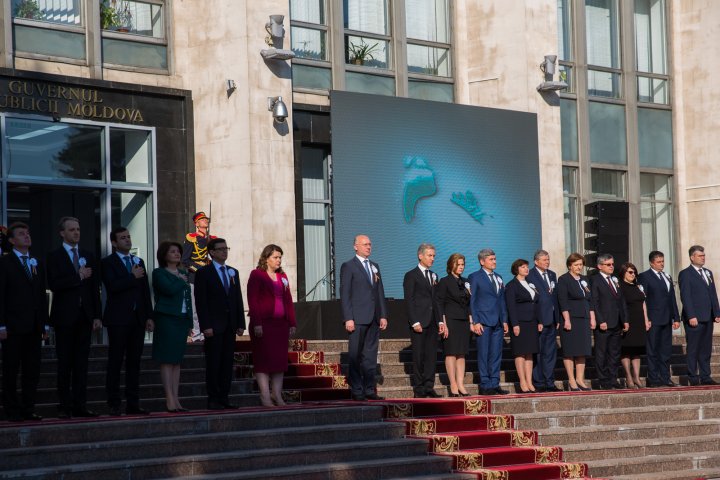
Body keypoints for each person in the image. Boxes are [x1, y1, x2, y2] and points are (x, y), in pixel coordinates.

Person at [46, 217, 102, 418]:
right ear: (62, 233)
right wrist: (77, 276)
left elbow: (94, 288)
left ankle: (80, 404)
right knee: (65, 363)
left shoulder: (87, 255)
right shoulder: (54, 256)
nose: (76, 233)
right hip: (65, 317)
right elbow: (54, 284)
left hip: (85, 317)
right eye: (72, 230)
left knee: (81, 363)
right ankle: (64, 405)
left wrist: (97, 315)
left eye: (78, 229)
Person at [101, 227, 154, 416]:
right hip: (118, 318)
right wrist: (131, 277)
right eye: (122, 238)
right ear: (114, 243)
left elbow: (145, 291)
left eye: (129, 237)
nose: (127, 240)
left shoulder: (138, 261)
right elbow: (112, 287)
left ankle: (133, 403)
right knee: (115, 360)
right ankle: (114, 402)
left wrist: (149, 316)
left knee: (134, 362)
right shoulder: (107, 262)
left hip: (137, 318)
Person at [0, 223, 49, 421]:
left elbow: (41, 295)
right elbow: (1, 295)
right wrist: (1, 325)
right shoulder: (4, 262)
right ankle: (12, 410)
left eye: (28, 233)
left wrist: (44, 324)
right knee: (11, 370)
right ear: (12, 240)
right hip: (12, 326)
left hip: (34, 326)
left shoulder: (35, 262)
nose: (26, 236)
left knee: (32, 370)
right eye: (21, 234)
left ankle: (29, 408)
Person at [194, 238, 246, 409]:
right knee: (214, 362)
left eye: (226, 248)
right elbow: (201, 301)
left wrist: (240, 323)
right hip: (213, 326)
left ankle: (224, 397)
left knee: (227, 363)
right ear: (212, 252)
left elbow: (237, 298)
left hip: (230, 325)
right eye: (221, 249)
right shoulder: (203, 273)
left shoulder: (233, 272)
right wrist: (205, 325)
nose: (225, 251)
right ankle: (213, 398)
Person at [339, 235, 388, 401]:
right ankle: (357, 390)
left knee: (370, 356)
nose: (369, 247)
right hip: (357, 318)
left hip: (373, 318)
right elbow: (345, 294)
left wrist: (383, 315)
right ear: (355, 246)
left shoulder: (375, 266)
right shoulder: (348, 266)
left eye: (370, 244)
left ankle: (369, 389)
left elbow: (379, 292)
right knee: (355, 354)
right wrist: (348, 318)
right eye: (365, 244)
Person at [247, 244, 298, 406]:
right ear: (266, 258)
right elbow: (252, 300)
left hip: (280, 325)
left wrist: (292, 322)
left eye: (280, 257)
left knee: (279, 361)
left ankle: (277, 394)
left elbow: (288, 300)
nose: (278, 260)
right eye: (275, 257)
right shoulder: (257, 275)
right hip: (263, 324)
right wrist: (257, 323)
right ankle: (265, 396)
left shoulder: (282, 276)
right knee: (263, 360)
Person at [151, 241, 192, 412]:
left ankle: (176, 398)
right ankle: (169, 398)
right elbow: (167, 290)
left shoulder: (183, 272)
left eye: (178, 251)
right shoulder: (159, 272)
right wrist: (180, 281)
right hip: (167, 319)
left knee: (177, 360)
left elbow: (188, 299)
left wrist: (190, 322)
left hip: (182, 319)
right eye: (172, 251)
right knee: (167, 359)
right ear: (164, 255)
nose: (176, 254)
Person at [403, 243, 447, 398]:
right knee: (419, 356)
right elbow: (409, 300)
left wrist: (441, 321)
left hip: (433, 322)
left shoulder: (434, 275)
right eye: (430, 255)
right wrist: (414, 321)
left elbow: (437, 300)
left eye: (434, 256)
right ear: (420, 256)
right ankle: (419, 388)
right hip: (419, 322)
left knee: (431, 356)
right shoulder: (411, 275)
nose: (432, 259)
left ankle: (429, 386)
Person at [469, 248, 509, 396]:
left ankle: (495, 383)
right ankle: (485, 384)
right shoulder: (475, 277)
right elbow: (472, 301)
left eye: (495, 259)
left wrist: (504, 320)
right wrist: (475, 321)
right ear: (482, 261)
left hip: (498, 322)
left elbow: (502, 300)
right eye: (491, 259)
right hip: (484, 321)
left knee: (496, 354)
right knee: (484, 354)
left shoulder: (498, 277)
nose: (494, 262)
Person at [678, 245, 720, 386]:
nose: (703, 258)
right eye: (700, 256)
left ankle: (705, 375)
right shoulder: (686, 274)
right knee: (694, 348)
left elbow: (712, 294)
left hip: (708, 316)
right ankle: (693, 377)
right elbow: (686, 296)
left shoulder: (707, 272)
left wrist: (716, 312)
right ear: (692, 257)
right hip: (695, 317)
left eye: (703, 255)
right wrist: (691, 315)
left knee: (706, 348)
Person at [638, 250, 680, 387]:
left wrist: (676, 317)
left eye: (662, 261)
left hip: (667, 319)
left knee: (666, 350)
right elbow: (643, 299)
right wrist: (646, 318)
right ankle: (653, 378)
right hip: (653, 319)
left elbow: (672, 298)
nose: (661, 264)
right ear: (651, 263)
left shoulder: (667, 277)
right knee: (653, 349)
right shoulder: (645, 276)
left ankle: (665, 377)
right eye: (658, 262)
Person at [590, 253, 629, 390]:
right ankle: (603, 380)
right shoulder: (595, 280)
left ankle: (613, 379)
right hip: (604, 323)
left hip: (617, 322)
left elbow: (621, 301)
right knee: (601, 353)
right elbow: (595, 302)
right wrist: (600, 320)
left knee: (614, 353)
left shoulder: (615, 279)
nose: (611, 267)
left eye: (612, 264)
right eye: (608, 264)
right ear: (600, 266)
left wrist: (625, 319)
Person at [436, 253, 473, 397]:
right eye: (458, 264)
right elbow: (440, 303)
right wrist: (443, 323)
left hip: (463, 321)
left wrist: (471, 321)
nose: (461, 267)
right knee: (451, 352)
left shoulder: (465, 282)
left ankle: (461, 384)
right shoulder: (444, 281)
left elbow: (469, 304)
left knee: (461, 354)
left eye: (463, 264)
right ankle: (453, 384)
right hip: (450, 320)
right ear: (451, 265)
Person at [557, 253, 594, 391]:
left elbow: (590, 300)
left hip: (584, 318)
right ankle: (571, 380)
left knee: (582, 351)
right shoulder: (564, 279)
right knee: (570, 350)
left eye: (581, 264)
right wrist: (566, 319)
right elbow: (563, 301)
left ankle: (580, 379)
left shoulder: (584, 279)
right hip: (571, 319)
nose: (579, 267)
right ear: (570, 265)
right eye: (576, 265)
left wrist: (592, 317)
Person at [504, 258, 542, 393]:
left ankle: (529, 381)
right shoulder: (511, 285)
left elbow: (536, 303)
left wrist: (539, 321)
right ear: (517, 269)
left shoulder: (530, 284)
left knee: (530, 353)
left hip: (532, 322)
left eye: (527, 267)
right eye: (523, 267)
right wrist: (514, 323)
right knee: (520, 352)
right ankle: (522, 382)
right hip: (520, 322)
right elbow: (511, 306)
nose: (526, 269)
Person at [528, 249, 562, 392]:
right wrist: (537, 320)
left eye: (548, 260)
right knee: (539, 352)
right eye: (544, 260)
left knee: (550, 353)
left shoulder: (552, 274)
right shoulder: (530, 275)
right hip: (539, 320)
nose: (547, 262)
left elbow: (555, 297)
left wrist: (558, 316)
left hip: (552, 320)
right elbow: (533, 300)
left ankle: (549, 381)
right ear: (536, 262)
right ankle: (539, 382)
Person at [182, 211, 216, 342]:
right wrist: (198, 269)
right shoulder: (191, 237)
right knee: (196, 306)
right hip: (195, 276)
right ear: (197, 223)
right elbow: (185, 260)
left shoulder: (212, 238)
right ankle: (196, 333)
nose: (205, 221)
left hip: (209, 275)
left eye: (206, 219)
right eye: (202, 219)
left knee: (209, 304)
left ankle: (207, 330)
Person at [616, 262, 650, 388]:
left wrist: (646, 320)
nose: (633, 274)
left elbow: (643, 304)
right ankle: (628, 377)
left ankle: (636, 377)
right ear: (623, 273)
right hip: (628, 320)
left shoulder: (638, 286)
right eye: (630, 272)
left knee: (637, 350)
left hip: (639, 321)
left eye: (634, 272)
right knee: (626, 350)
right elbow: (620, 305)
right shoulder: (620, 286)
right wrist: (624, 321)